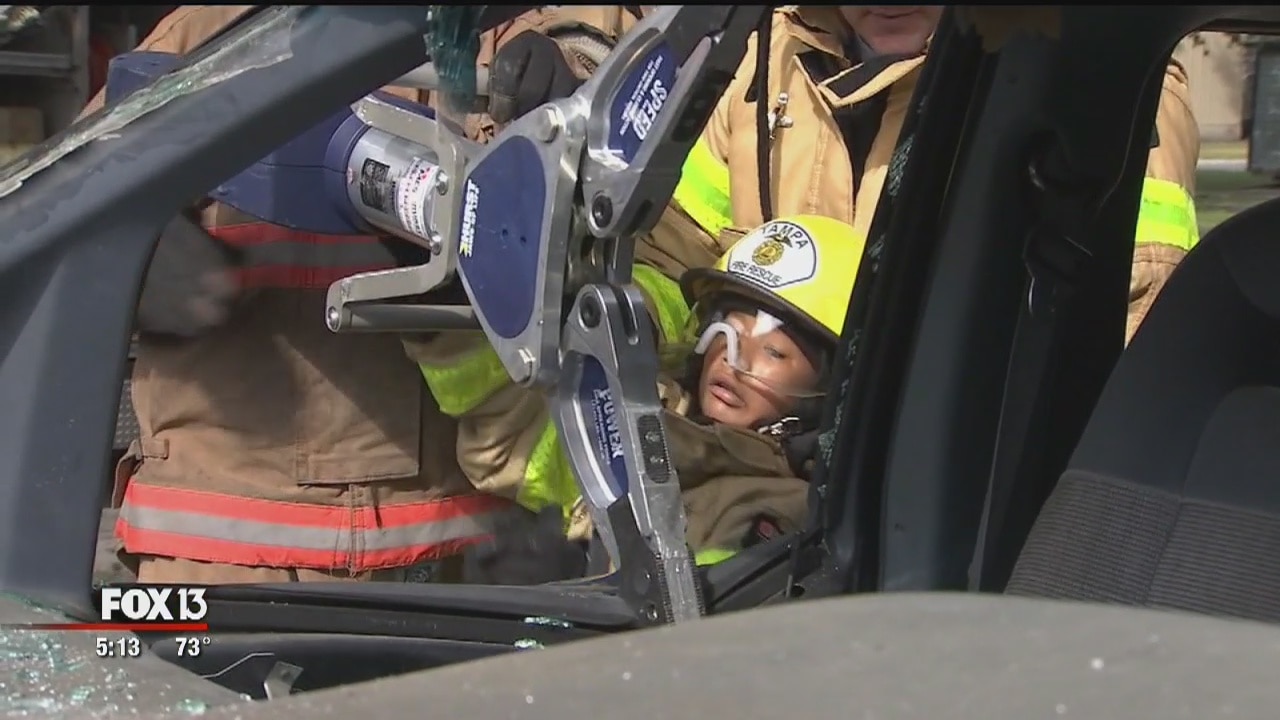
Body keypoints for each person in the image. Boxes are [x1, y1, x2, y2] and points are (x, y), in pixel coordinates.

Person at [93, 5, 640, 584]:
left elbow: (620, 145)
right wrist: (126, 250)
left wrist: (574, 97)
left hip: (460, 557)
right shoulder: (214, 33)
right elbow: (61, 203)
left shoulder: (501, 34)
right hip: (231, 549)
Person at [661, 5, 1201, 345]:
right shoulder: (756, 64)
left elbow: (1132, 327)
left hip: (940, 489)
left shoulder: (1112, 94)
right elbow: (675, 254)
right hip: (754, 456)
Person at [414, 215, 865, 581]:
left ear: (830, 387)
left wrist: (598, 581)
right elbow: (512, 430)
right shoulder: (648, 421)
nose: (730, 357)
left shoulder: (792, 508)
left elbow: (727, 603)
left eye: (772, 350)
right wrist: (448, 297)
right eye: (722, 330)